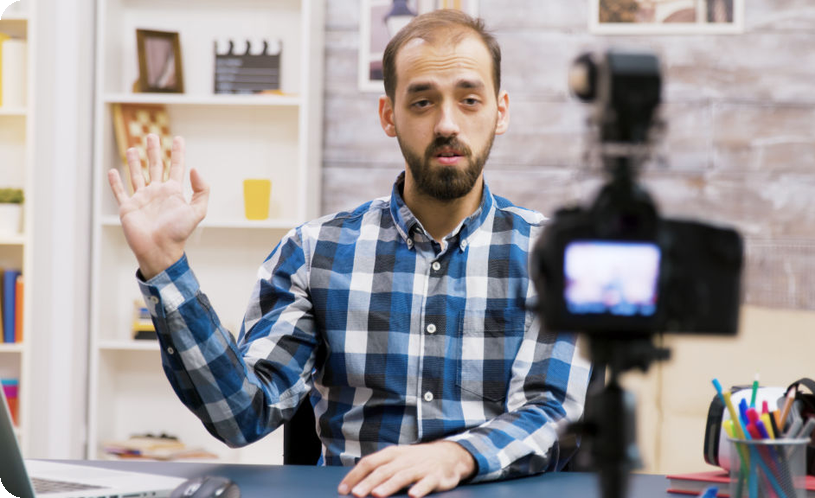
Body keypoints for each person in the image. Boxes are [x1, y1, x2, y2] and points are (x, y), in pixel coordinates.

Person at [108, 10, 590, 498]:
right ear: (389, 115)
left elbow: (550, 413)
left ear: (500, 111)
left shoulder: (554, 257)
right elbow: (241, 415)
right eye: (422, 102)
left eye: (469, 100)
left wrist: (457, 455)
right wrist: (165, 266)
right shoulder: (312, 253)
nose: (447, 123)